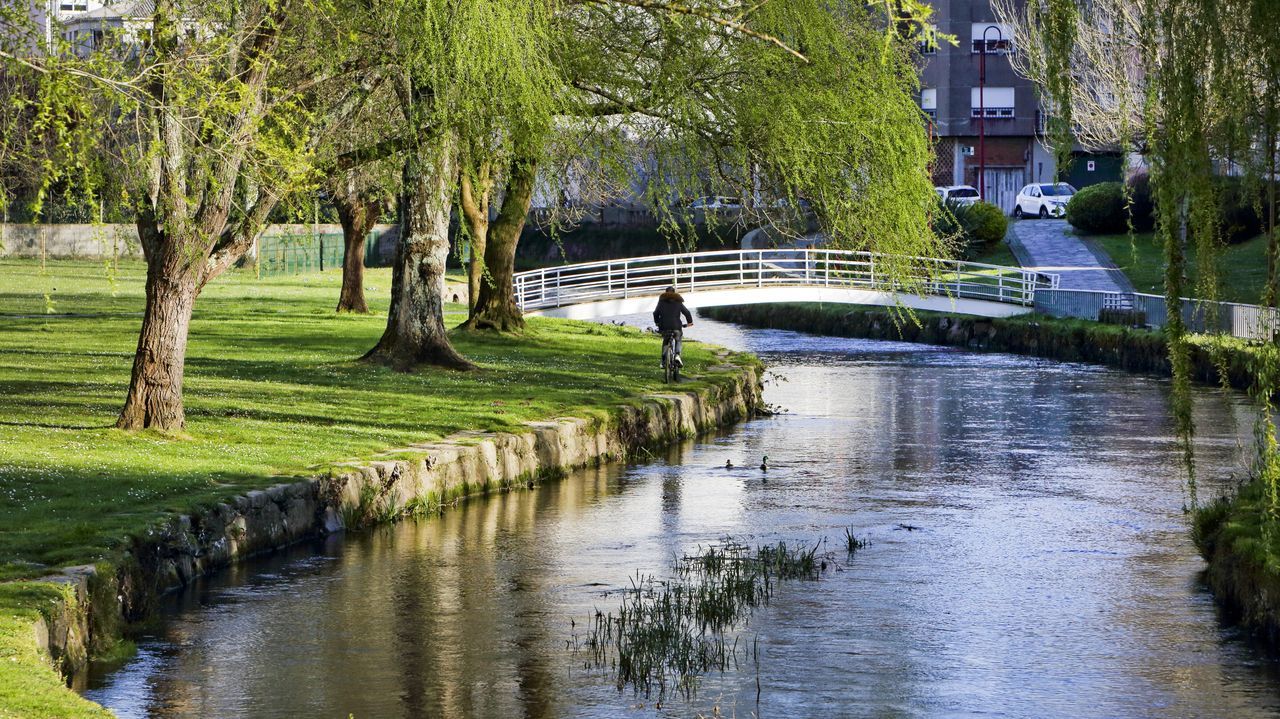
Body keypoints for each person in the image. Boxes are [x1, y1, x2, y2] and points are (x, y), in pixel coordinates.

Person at [653, 285, 693, 367]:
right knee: (678, 339)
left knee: (665, 341)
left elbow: (655, 313)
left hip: (664, 326)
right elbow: (687, 312)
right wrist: (690, 322)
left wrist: (657, 322)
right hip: (676, 326)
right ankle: (677, 355)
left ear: (665, 293)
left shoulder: (661, 302)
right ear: (674, 293)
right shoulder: (678, 302)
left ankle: (663, 361)